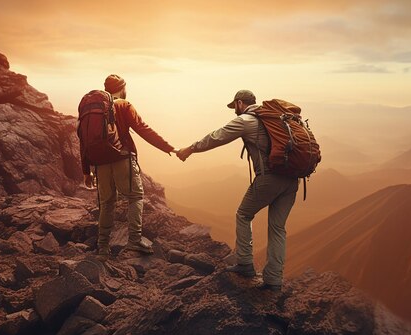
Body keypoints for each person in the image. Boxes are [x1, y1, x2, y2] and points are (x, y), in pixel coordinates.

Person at [176, 90, 299, 291]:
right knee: (277, 228)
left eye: (235, 107)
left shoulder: (246, 120)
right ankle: (274, 279)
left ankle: (245, 264)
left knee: (243, 214)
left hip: (270, 178)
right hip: (292, 179)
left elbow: (216, 137)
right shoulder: (276, 119)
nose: (235, 111)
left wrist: (190, 149)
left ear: (240, 103)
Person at [83, 74, 178, 260]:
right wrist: (168, 147)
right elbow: (143, 129)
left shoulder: (93, 109)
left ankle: (102, 248)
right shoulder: (124, 105)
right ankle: (134, 241)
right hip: (122, 158)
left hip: (99, 163)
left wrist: (86, 170)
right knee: (135, 197)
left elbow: (83, 140)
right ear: (122, 88)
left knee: (106, 203)